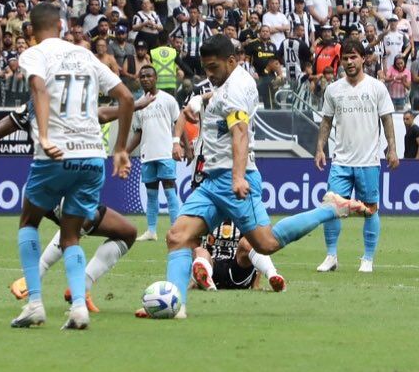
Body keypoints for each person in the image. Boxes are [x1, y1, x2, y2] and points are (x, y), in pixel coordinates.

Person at [154, 35, 369, 320]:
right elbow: (220, 102)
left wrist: (238, 176)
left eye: (213, 67)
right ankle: (175, 305)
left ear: (230, 61)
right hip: (212, 180)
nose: (209, 74)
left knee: (265, 243)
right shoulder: (231, 82)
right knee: (177, 236)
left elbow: (240, 132)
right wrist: (202, 100)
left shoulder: (236, 91)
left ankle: (331, 209)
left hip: (233, 181)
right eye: (205, 68)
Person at [0, 92, 157, 313]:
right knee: (77, 225)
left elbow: (100, 113)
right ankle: (39, 282)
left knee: (127, 232)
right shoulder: (38, 104)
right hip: (52, 183)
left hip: (74, 182)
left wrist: (135, 106)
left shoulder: (75, 101)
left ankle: (80, 287)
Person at [10, 4, 133, 331]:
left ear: (30, 31)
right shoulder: (85, 55)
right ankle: (79, 307)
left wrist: (46, 134)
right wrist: (120, 148)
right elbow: (126, 98)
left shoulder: (34, 54)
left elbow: (38, 88)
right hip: (93, 155)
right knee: (70, 234)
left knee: (29, 220)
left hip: (55, 154)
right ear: (62, 25)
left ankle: (35, 303)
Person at [314, 38, 398, 274]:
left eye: (354, 57)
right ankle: (331, 256)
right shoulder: (333, 89)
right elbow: (327, 121)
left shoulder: (376, 87)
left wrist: (392, 148)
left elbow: (387, 119)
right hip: (340, 161)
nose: (349, 62)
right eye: (346, 58)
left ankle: (368, 259)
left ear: (363, 59)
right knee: (332, 208)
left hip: (368, 161)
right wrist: (320, 148)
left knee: (370, 209)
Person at [128, 64, 183, 242]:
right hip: (147, 155)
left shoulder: (167, 100)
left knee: (169, 191)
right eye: (142, 76)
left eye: (148, 76)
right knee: (151, 194)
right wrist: (125, 151)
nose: (145, 79)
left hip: (166, 152)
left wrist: (184, 147)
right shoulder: (139, 105)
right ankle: (151, 231)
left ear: (155, 78)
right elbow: (138, 131)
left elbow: (178, 123)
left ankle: (176, 229)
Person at [189, 220, 285, 293]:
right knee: (199, 250)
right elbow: (193, 244)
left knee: (247, 243)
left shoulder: (245, 215)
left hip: (238, 271)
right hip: (212, 270)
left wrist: (256, 285)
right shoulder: (206, 215)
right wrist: (193, 279)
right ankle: (205, 281)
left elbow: (259, 245)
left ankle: (273, 276)